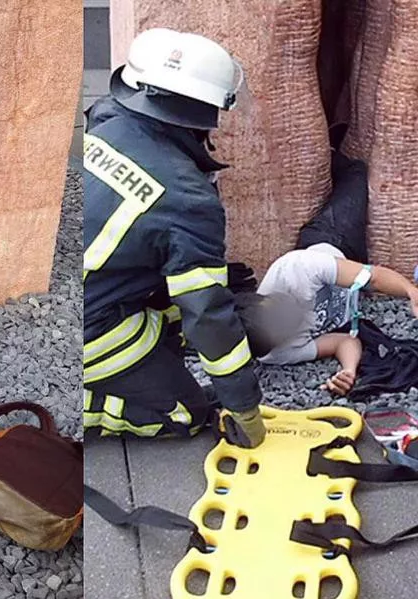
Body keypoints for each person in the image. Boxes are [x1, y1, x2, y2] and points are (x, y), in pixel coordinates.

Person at [83, 28, 265, 448]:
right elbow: (205, 311)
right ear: (204, 111)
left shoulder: (106, 118)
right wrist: (243, 406)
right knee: (185, 414)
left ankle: (142, 353)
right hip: (94, 328)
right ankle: (86, 403)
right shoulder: (187, 198)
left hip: (98, 290)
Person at [256, 145, 418, 395]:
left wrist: (410, 291)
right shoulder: (277, 353)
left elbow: (372, 277)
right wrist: (349, 371)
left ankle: (329, 150)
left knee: (356, 174)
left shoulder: (295, 271)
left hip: (333, 240)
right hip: (347, 274)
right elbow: (344, 341)